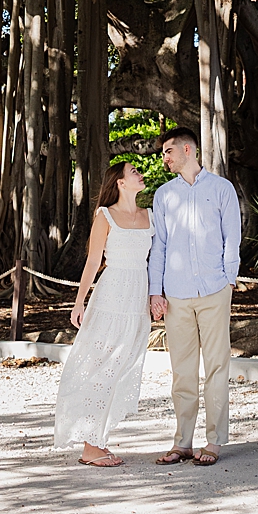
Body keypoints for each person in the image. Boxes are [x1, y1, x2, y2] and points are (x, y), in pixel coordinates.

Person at [148, 126, 243, 467]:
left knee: (217, 366)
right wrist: (155, 291)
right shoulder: (163, 196)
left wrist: (229, 279)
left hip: (214, 290)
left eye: (168, 151)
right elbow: (158, 246)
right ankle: (182, 443)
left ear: (188, 150)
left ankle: (214, 442)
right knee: (182, 372)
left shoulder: (221, 189)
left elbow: (232, 237)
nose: (164, 158)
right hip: (176, 295)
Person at [54, 161, 153, 466]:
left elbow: (157, 258)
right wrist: (79, 301)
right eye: (134, 170)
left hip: (137, 297)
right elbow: (93, 261)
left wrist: (156, 296)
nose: (140, 173)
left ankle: (98, 439)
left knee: (121, 367)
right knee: (100, 366)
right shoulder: (105, 215)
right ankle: (90, 446)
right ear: (121, 183)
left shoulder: (150, 215)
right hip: (111, 296)